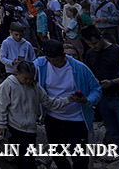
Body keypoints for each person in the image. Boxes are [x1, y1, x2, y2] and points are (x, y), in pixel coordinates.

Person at [36, 38, 102, 169]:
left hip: (77, 118)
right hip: (53, 117)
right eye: (55, 61)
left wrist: (87, 100)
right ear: (47, 58)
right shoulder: (40, 65)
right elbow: (22, 76)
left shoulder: (79, 68)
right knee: (57, 155)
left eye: (61, 58)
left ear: (64, 55)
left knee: (80, 158)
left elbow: (96, 89)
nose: (59, 63)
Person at [0, 60, 71, 169]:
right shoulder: (7, 85)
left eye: (31, 79)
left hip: (30, 130)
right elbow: (2, 106)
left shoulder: (35, 88)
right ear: (17, 72)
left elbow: (49, 103)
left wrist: (68, 100)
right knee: (19, 159)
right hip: (14, 127)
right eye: (25, 78)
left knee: (29, 159)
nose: (28, 81)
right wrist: (1, 124)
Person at [80, 25, 119, 169]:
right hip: (103, 99)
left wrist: (112, 82)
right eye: (89, 44)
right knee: (116, 137)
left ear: (101, 37)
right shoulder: (90, 54)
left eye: (95, 42)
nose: (93, 46)